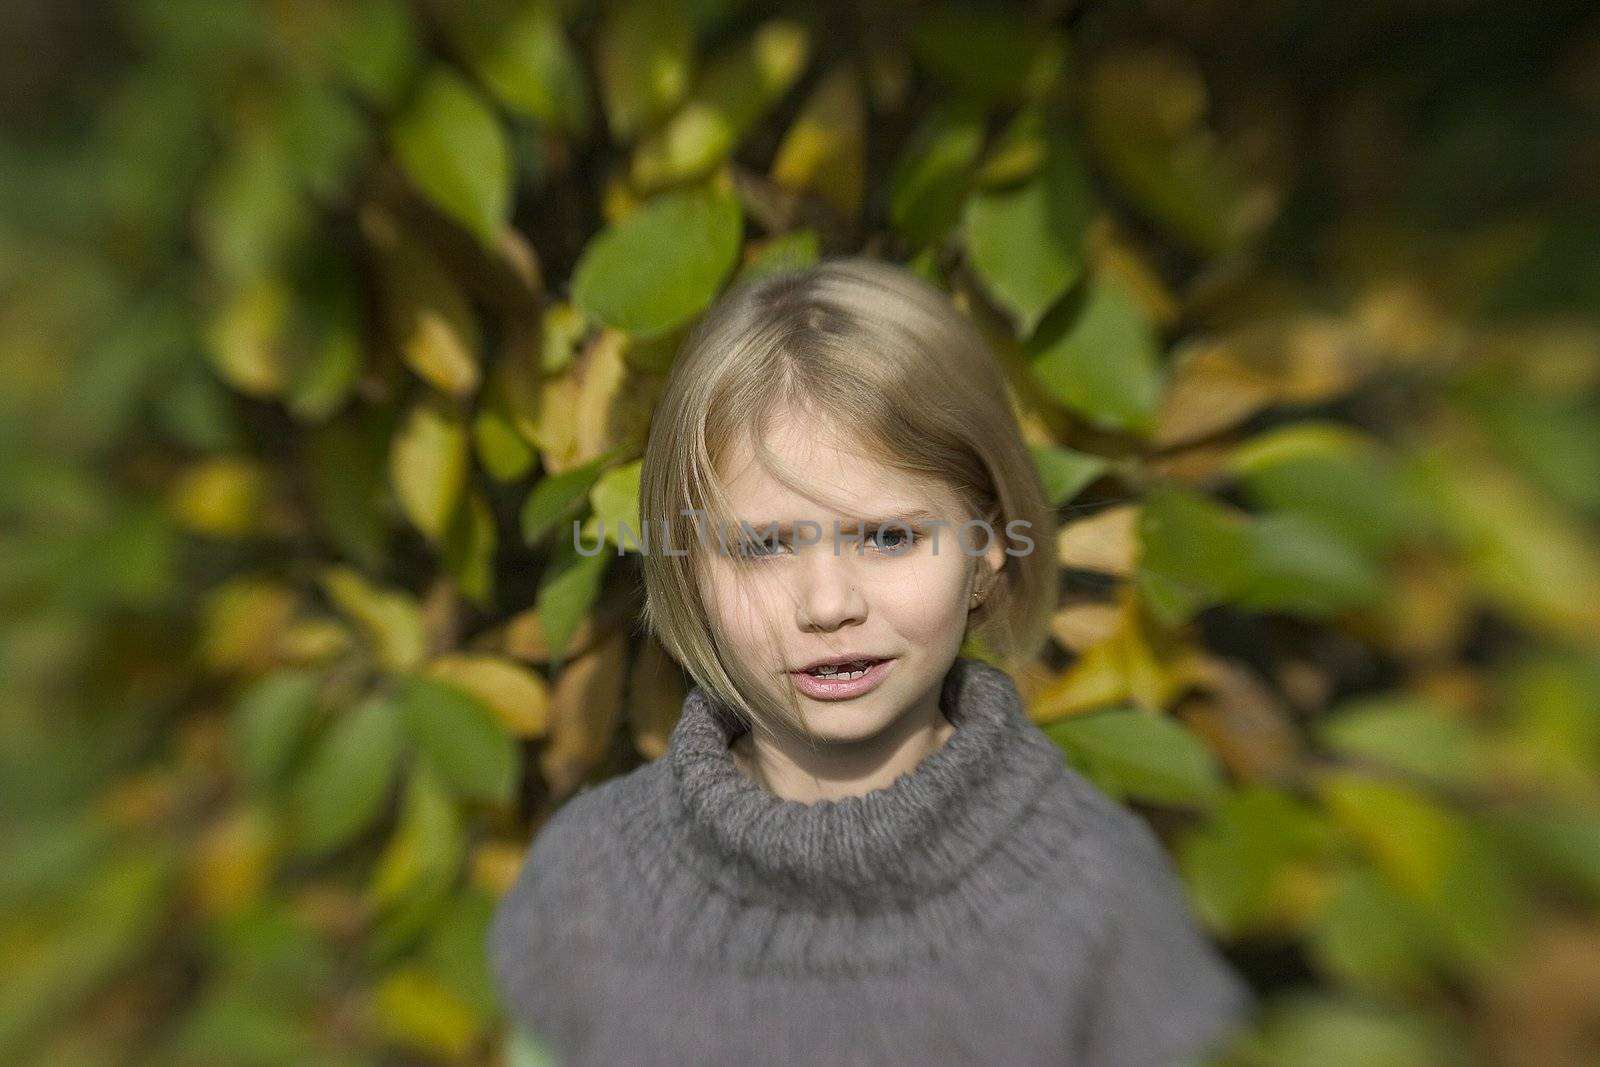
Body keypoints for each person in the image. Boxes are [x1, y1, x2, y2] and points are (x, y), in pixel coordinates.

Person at [487, 257, 1256, 1065]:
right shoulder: (586, 881)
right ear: (688, 569)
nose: (828, 605)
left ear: (988, 541)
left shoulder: (1101, 897)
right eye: (763, 546)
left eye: (888, 536)